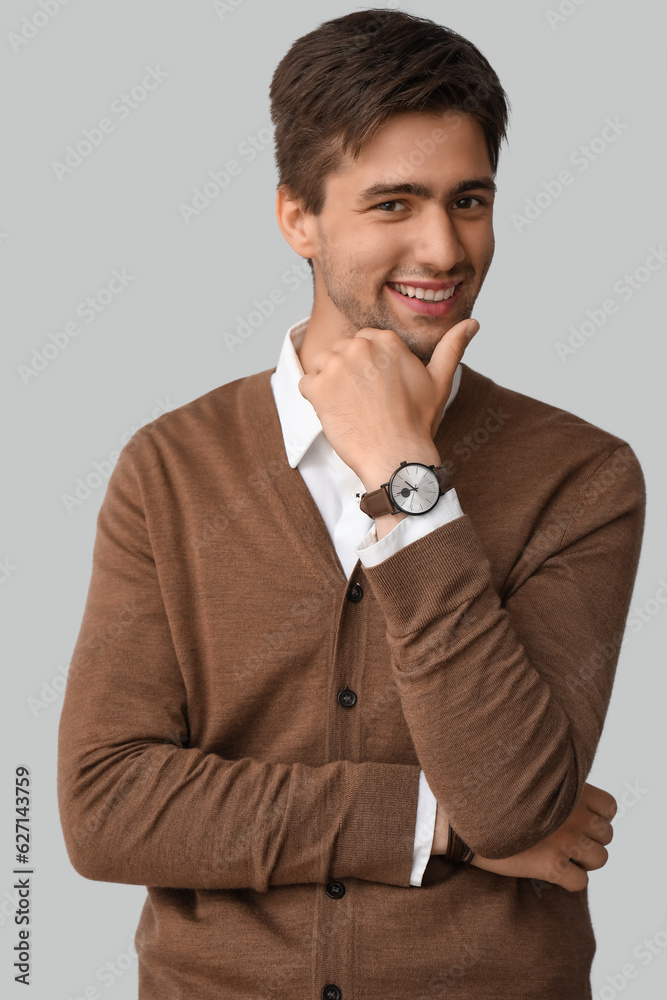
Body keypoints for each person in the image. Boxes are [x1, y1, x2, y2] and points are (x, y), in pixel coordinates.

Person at [57, 8, 645, 999]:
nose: (444, 247)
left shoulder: (580, 475)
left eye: (469, 200)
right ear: (298, 217)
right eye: (392, 205)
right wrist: (429, 821)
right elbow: (104, 804)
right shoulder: (169, 469)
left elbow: (512, 799)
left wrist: (409, 485)